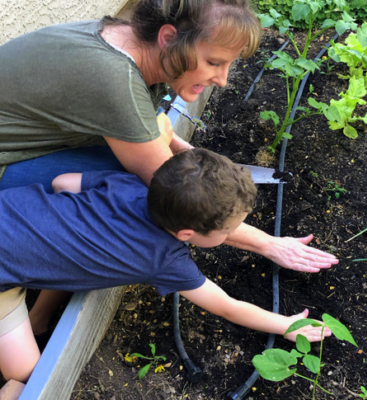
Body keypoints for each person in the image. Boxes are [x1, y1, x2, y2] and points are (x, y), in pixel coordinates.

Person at [0, 0, 338, 274]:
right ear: (167, 37)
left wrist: (178, 145)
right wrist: (268, 243)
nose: (222, 80)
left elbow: (145, 116)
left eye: (227, 65)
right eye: (213, 62)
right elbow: (182, 194)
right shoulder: (113, 79)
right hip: (7, 166)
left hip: (30, 144)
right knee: (144, 191)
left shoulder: (123, 40)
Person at [0, 149, 333, 384]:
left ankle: (38, 318)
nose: (233, 234)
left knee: (67, 259)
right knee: (29, 375)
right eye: (228, 231)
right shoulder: (164, 259)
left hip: (10, 209)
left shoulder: (129, 185)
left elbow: (61, 182)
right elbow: (228, 307)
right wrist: (286, 325)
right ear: (187, 234)